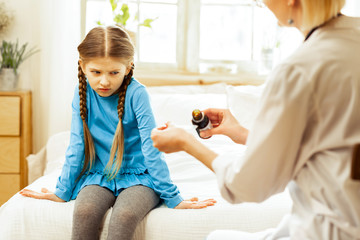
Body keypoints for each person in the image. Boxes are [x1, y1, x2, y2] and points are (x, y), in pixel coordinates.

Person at [151, 0, 360, 239]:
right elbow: (334, 147)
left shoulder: (299, 70)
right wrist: (243, 134)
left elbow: (248, 185)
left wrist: (187, 142)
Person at [19, 26, 215, 240]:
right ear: (83, 66)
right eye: (96, 72)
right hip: (98, 174)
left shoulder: (137, 94)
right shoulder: (81, 92)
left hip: (140, 177)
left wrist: (173, 197)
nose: (104, 81)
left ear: (128, 67)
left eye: (114, 73)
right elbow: (77, 145)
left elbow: (151, 147)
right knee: (84, 212)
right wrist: (62, 191)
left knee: (125, 215)